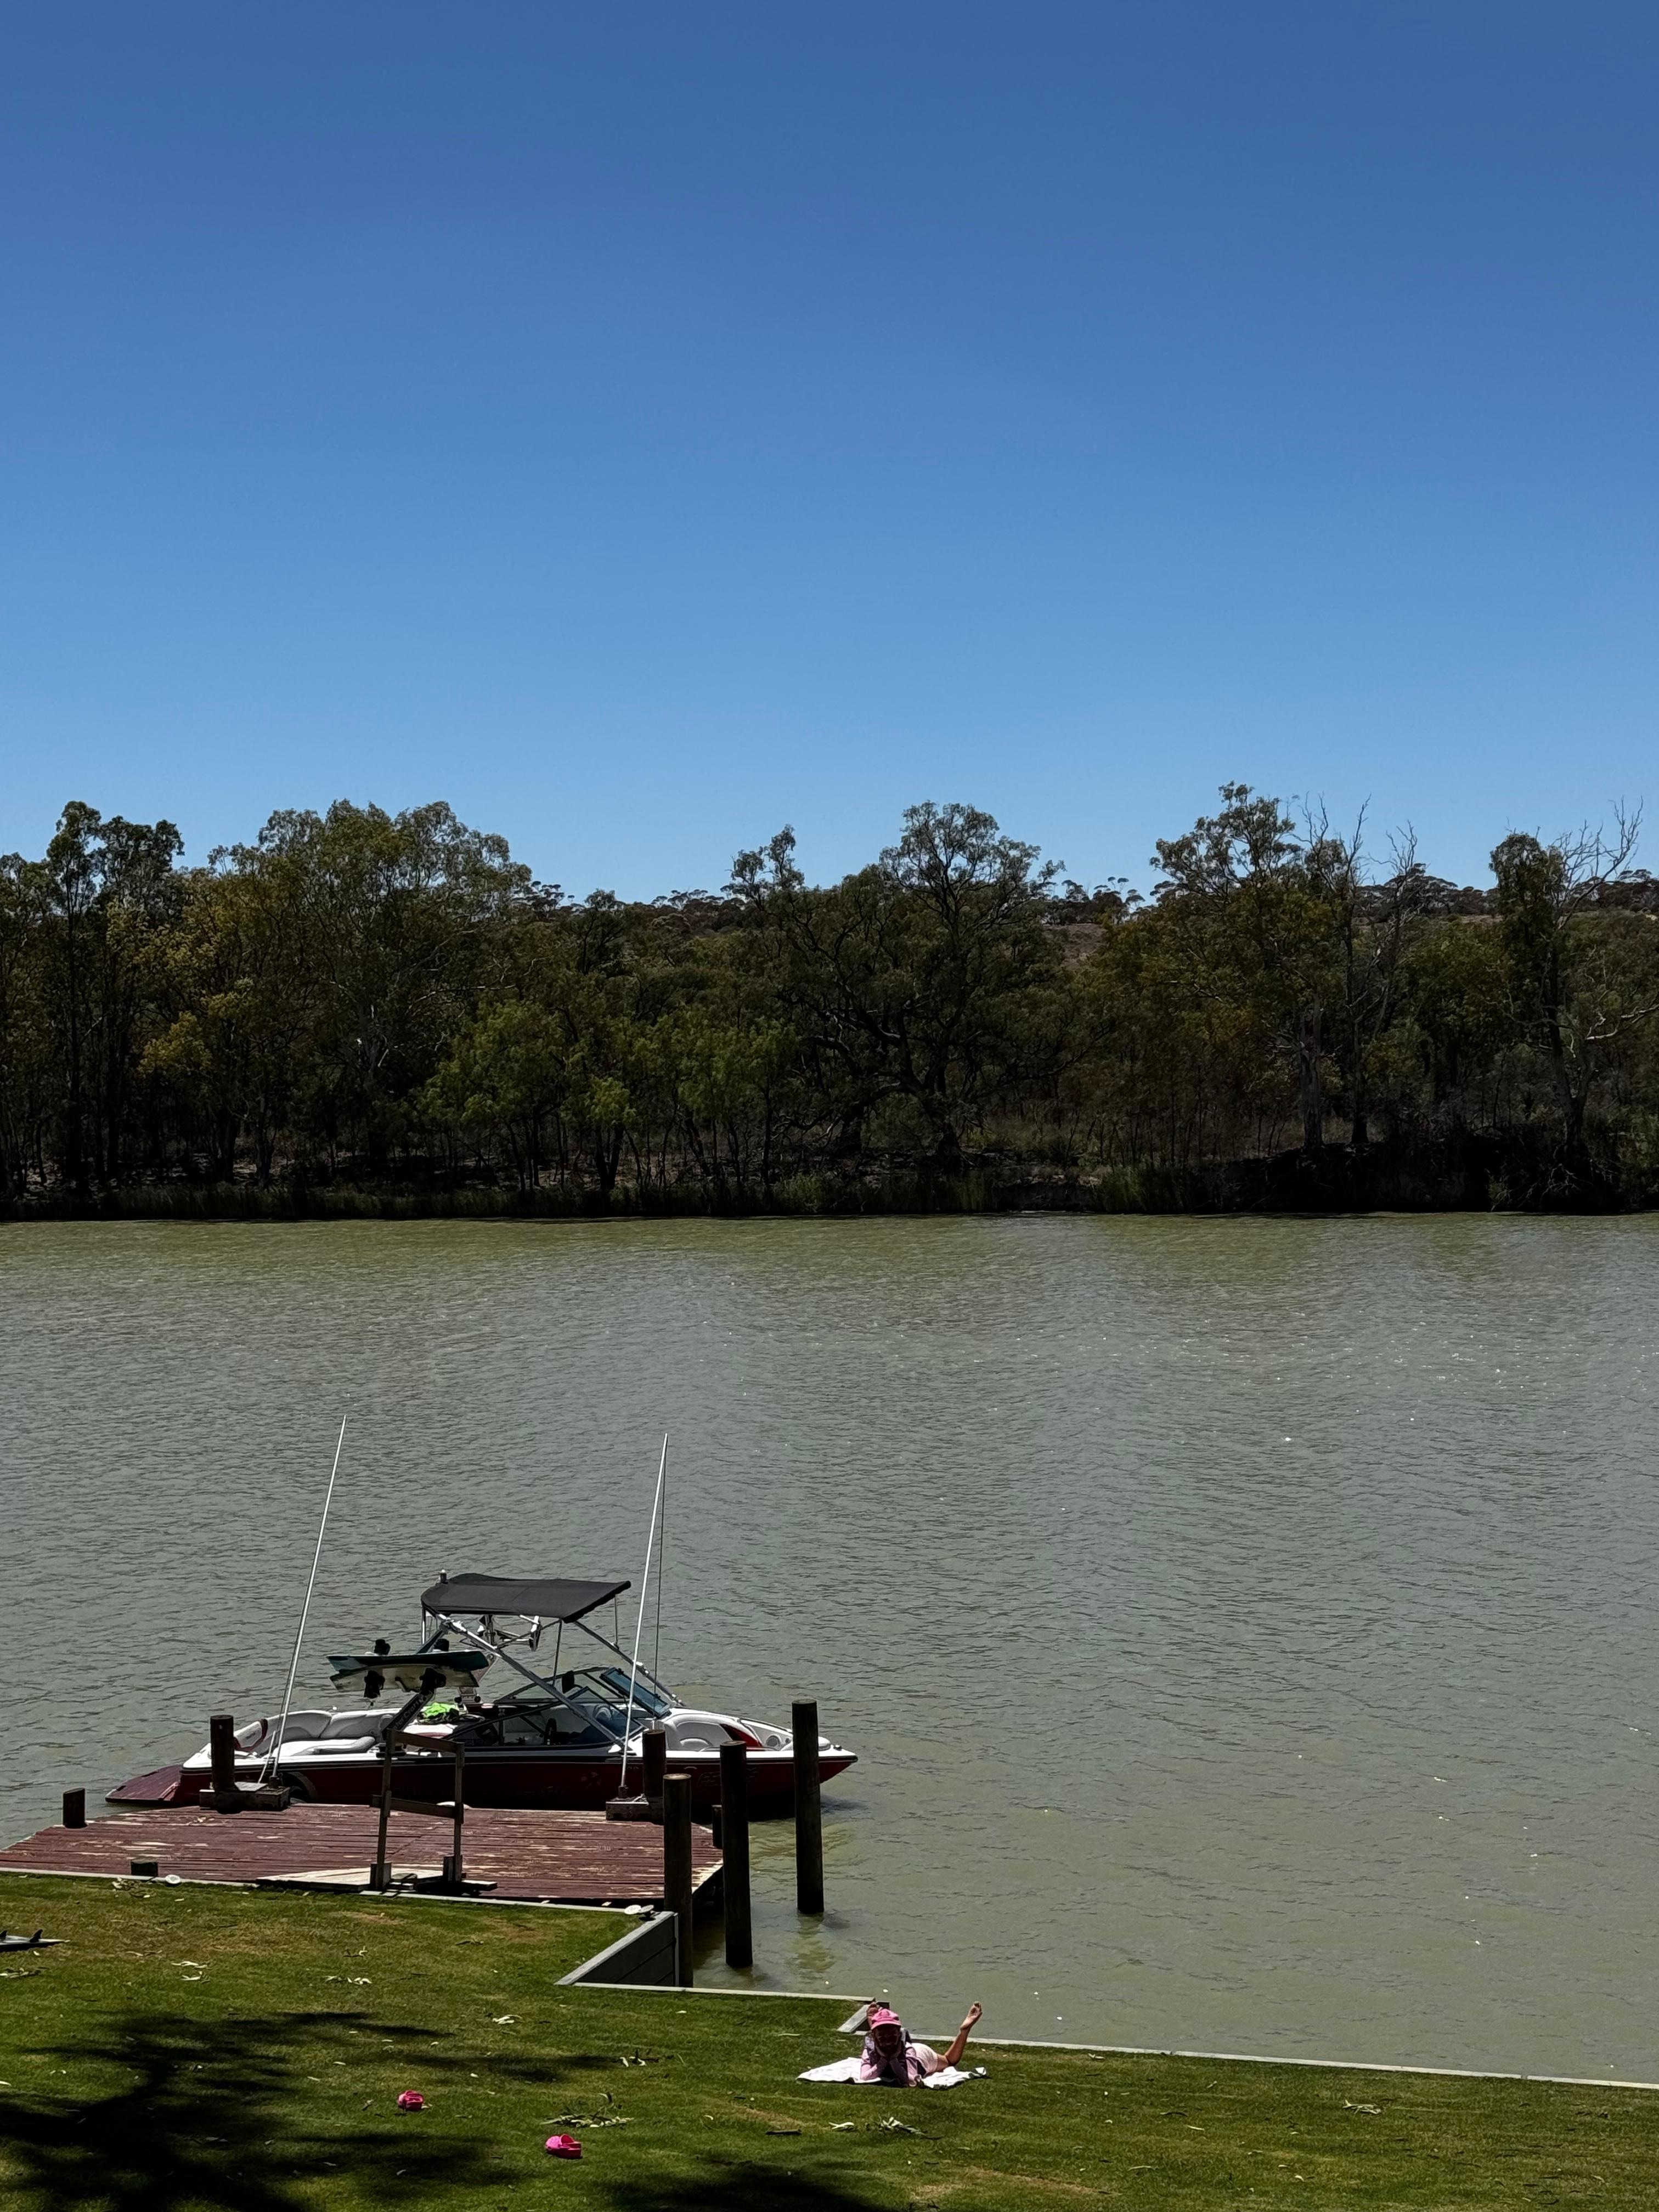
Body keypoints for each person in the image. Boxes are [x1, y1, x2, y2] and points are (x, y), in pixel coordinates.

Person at [857, 2000, 982, 2085]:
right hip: (885, 2051)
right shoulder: (870, 2051)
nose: (888, 2042)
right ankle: (876, 2026)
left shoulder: (908, 2051)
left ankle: (964, 2031)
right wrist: (884, 2059)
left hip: (920, 2056)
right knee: (881, 2046)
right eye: (883, 2038)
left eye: (892, 2037)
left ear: (899, 2035)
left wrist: (893, 2059)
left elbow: (912, 2081)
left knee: (949, 2061)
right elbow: (864, 2077)